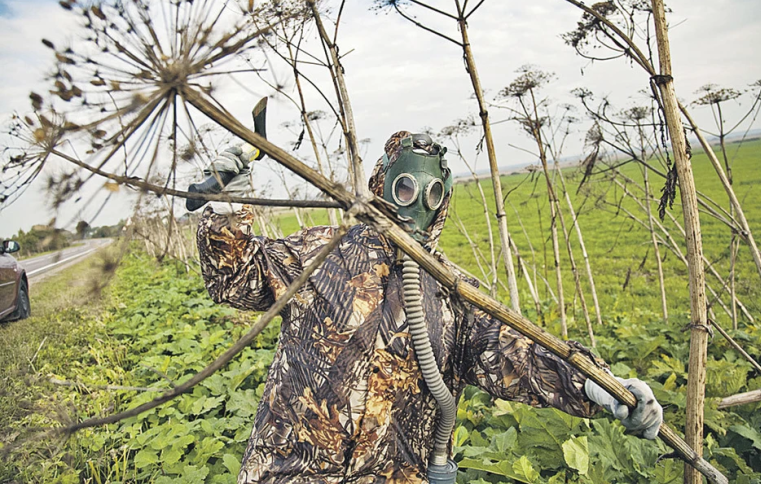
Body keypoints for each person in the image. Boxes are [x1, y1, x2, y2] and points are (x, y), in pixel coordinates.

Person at [196, 131, 663, 484]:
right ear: (381, 182)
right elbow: (237, 278)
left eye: (430, 193)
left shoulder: (454, 294)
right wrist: (225, 209)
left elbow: (516, 355)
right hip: (289, 472)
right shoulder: (322, 251)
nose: (416, 203)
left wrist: (598, 386)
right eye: (403, 189)